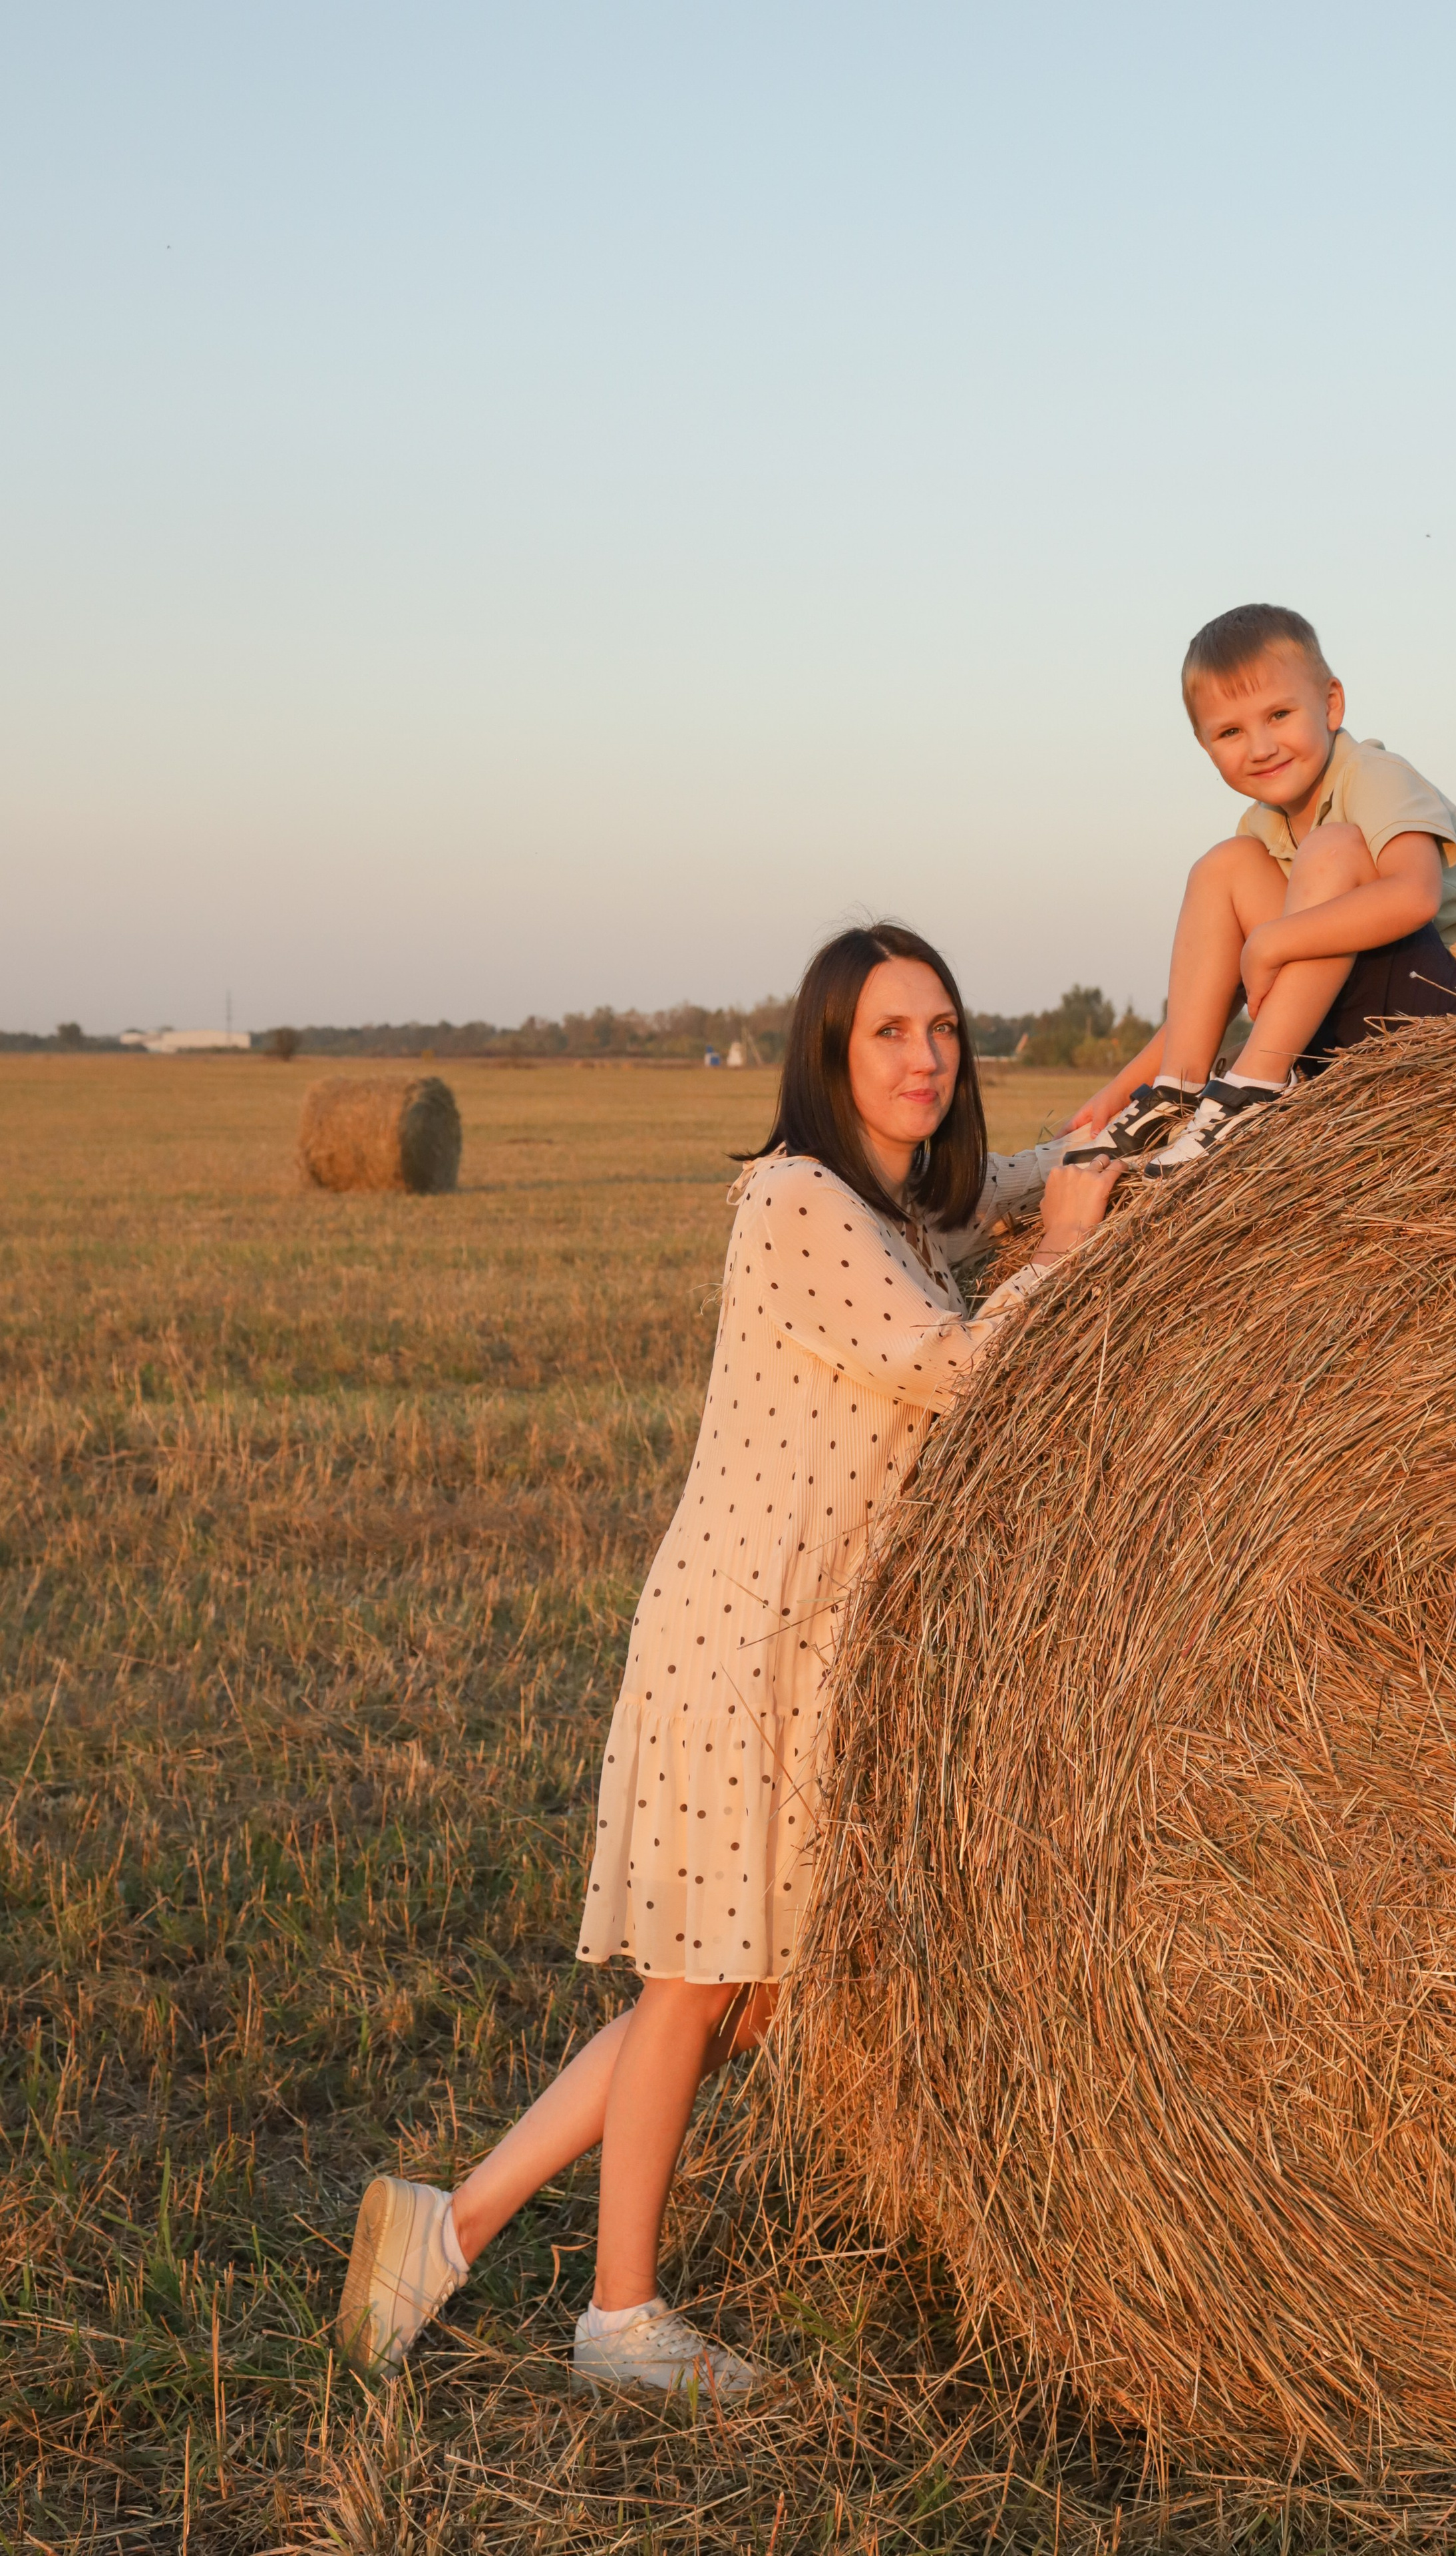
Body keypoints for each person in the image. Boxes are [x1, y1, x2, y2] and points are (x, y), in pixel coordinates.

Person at [337, 923, 1121, 2394]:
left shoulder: (894, 1212)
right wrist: (1071, 1245)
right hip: (741, 1637)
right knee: (705, 1986)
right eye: (889, 1032)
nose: (924, 1058)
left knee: (739, 1996)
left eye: (944, 1031)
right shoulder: (793, 1199)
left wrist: (1140, 1153)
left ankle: (452, 2223)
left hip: (815, 1642)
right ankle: (616, 2322)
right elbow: (957, 1365)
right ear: (826, 1054)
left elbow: (1001, 1199)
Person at [1064, 603, 1456, 1175]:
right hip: (1363, 1029)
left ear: (1331, 704)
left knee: (1333, 849)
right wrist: (1123, 1091)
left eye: (1279, 714)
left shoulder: (1372, 774)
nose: (1261, 746)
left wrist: (1269, 942)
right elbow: (1208, 990)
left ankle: (1251, 1096)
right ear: (1205, 745)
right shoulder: (1260, 829)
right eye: (1231, 731)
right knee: (1223, 865)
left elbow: (1414, 894)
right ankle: (1183, 1099)